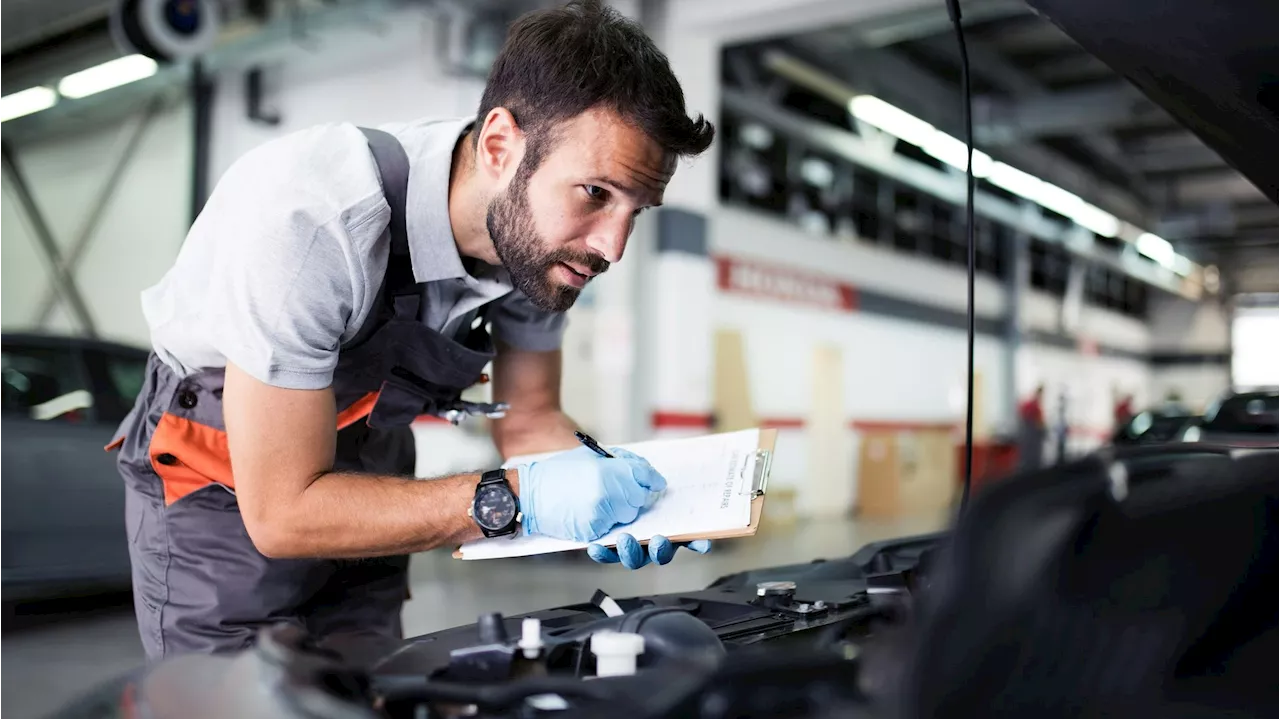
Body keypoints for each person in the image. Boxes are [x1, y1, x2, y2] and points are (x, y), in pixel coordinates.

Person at [106, 0, 715, 662]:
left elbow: (532, 418)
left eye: (637, 210)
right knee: (237, 699)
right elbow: (282, 511)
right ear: (500, 145)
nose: (612, 247)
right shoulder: (312, 221)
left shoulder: (544, 249)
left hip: (371, 458)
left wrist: (615, 494)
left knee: (373, 689)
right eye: (596, 193)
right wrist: (519, 499)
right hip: (221, 481)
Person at [1016, 384, 1046, 471]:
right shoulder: (1033, 405)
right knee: (1033, 455)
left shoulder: (1032, 404)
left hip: (1030, 433)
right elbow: (1038, 421)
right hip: (1032, 433)